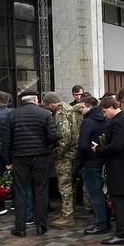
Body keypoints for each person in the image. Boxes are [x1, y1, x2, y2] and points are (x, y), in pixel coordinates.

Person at [3, 90, 59, 236]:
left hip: (20, 157)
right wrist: (45, 146)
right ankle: (41, 225)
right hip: (40, 156)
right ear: (36, 100)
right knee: (41, 190)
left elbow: (6, 141)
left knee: (20, 192)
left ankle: (20, 228)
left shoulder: (12, 115)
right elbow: (53, 136)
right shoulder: (46, 114)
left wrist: (8, 161)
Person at [97, 95, 124, 245]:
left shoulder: (118, 122)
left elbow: (116, 146)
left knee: (119, 199)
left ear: (112, 108)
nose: (104, 114)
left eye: (104, 111)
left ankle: (120, 233)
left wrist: (100, 148)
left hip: (119, 167)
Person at [47, 92, 83, 228]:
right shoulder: (70, 109)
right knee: (70, 184)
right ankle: (67, 211)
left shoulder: (61, 113)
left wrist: (57, 153)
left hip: (66, 155)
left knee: (64, 185)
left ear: (52, 103)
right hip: (74, 153)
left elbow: (64, 137)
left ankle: (67, 216)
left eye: (47, 105)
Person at [78, 95, 109, 235]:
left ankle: (101, 224)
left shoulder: (88, 122)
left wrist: (82, 158)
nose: (81, 110)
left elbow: (82, 145)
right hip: (103, 159)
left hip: (91, 162)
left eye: (83, 107)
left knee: (95, 194)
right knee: (102, 193)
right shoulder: (105, 119)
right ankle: (105, 220)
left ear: (89, 107)